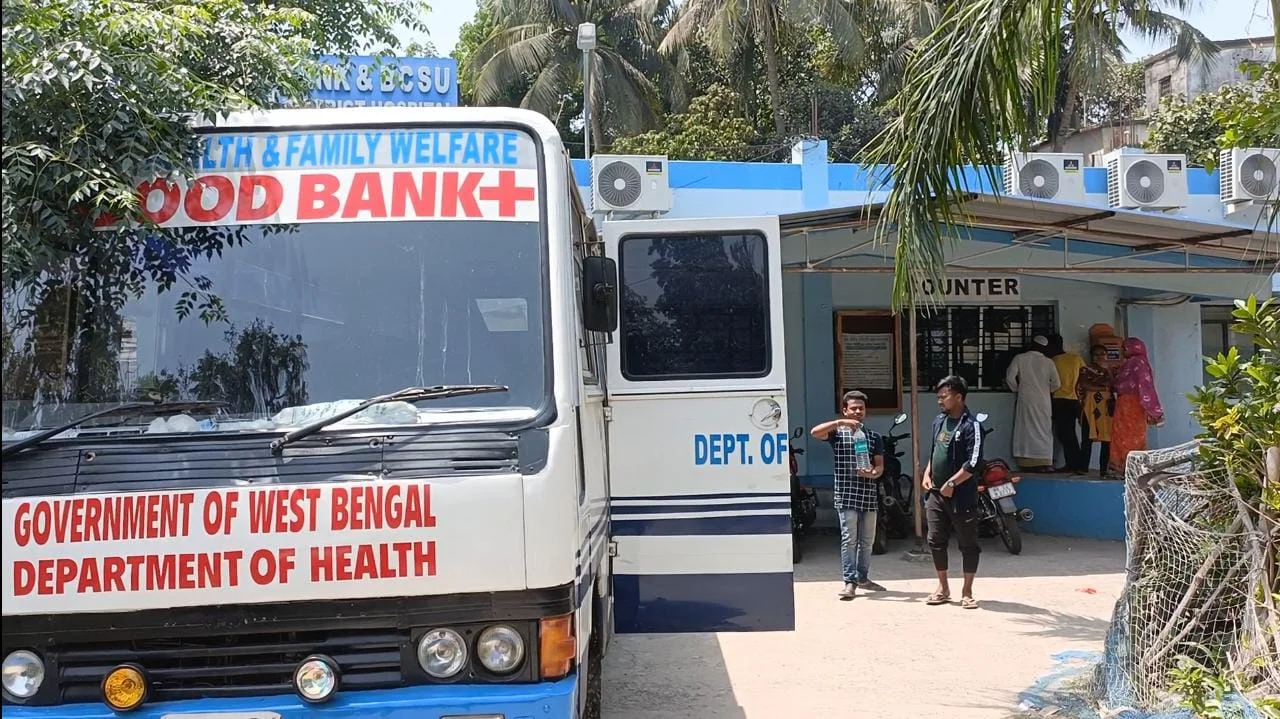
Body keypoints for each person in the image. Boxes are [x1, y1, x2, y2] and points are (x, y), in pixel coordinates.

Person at [811, 390, 886, 600]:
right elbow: (814, 432)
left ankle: (863, 577)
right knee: (849, 539)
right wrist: (839, 423)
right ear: (845, 410)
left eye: (861, 408)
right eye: (853, 408)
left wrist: (873, 473)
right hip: (845, 494)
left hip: (868, 495)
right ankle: (849, 581)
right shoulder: (837, 434)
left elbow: (880, 466)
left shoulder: (874, 437)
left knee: (867, 540)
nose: (858, 411)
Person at [921, 375, 984, 609]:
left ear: (959, 397)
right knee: (935, 540)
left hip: (961, 495)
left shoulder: (972, 425)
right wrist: (927, 474)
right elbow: (934, 451)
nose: (940, 401)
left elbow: (974, 462)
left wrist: (952, 484)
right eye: (938, 397)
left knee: (968, 543)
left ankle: (967, 591)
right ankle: (943, 588)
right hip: (936, 494)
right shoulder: (938, 421)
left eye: (944, 396)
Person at [1005, 335, 1060, 472]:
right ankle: (1045, 461)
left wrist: (1017, 389)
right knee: (1044, 429)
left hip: (1026, 398)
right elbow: (1057, 384)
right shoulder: (1049, 362)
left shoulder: (1020, 358)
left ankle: (1026, 461)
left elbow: (1010, 378)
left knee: (1026, 427)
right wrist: (1047, 391)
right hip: (1044, 400)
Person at [1109, 337, 1164, 476]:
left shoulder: (1132, 364)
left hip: (1125, 403)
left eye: (1124, 348)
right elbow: (1146, 387)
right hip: (1133, 404)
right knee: (1134, 435)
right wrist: (1155, 411)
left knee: (1121, 435)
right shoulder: (1139, 363)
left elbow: (1140, 385)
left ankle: (1120, 467)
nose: (1122, 351)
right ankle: (1132, 469)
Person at [1048, 334, 1086, 474]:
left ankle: (1073, 464)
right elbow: (1084, 375)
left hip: (1060, 399)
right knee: (1072, 433)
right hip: (1076, 400)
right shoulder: (1076, 358)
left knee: (1065, 434)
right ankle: (1077, 463)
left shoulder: (1052, 361)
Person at [1076, 344, 1116, 478]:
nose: (1100, 357)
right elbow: (1084, 385)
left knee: (1107, 438)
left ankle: (1104, 469)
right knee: (1087, 437)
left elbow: (1115, 385)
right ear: (1092, 357)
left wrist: (1107, 372)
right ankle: (1083, 467)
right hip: (1090, 407)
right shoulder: (1086, 369)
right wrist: (1102, 389)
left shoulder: (1112, 370)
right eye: (1097, 354)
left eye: (1102, 354)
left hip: (1106, 408)